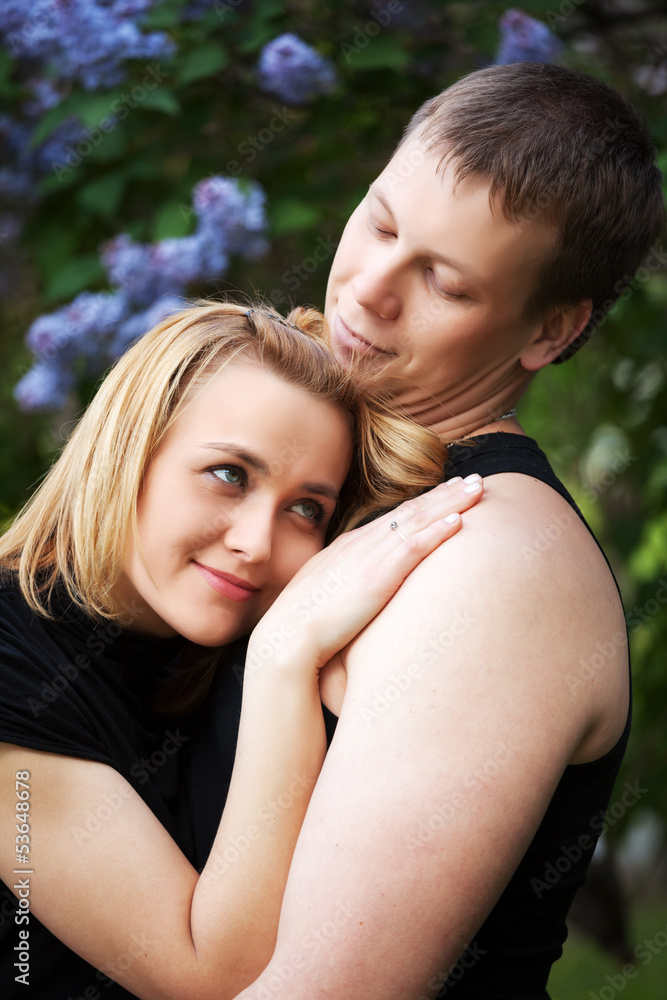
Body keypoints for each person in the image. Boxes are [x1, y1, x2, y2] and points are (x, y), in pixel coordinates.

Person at [189, 63, 666, 998]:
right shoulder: (316, 481)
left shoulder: (491, 569)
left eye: (443, 282)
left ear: (548, 333)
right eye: (379, 222)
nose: (366, 290)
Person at [0, 301, 485, 999]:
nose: (257, 544)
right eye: (229, 474)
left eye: (305, 509)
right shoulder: (13, 657)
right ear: (129, 448)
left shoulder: (205, 649)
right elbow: (213, 977)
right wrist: (284, 661)